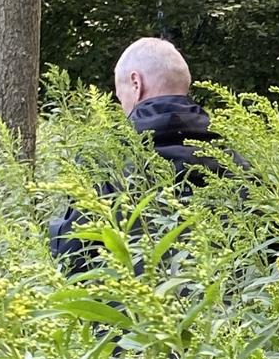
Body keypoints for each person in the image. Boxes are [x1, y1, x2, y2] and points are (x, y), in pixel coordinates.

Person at [47, 37, 248, 277]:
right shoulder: (232, 156)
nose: (121, 106)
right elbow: (271, 246)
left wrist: (53, 231)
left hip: (134, 309)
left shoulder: (105, 160)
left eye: (120, 96)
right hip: (222, 308)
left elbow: (74, 260)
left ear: (135, 83)